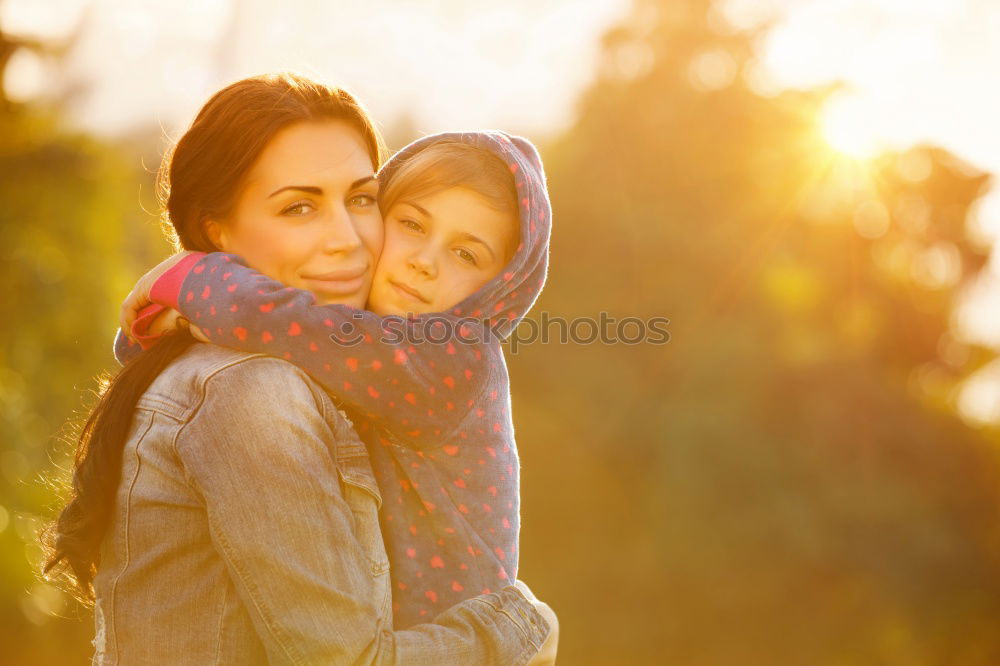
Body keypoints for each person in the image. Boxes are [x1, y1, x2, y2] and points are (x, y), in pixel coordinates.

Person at [43, 72, 556, 664]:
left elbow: (295, 329)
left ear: (501, 287)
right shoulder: (250, 390)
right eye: (298, 207)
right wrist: (522, 631)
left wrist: (190, 285)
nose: (346, 239)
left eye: (360, 199)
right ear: (218, 229)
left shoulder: (442, 354)